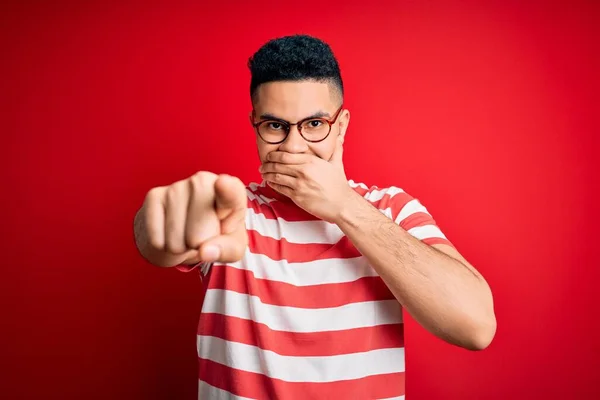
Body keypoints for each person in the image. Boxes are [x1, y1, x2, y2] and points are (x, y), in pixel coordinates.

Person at [133, 34, 496, 399]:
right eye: (275, 126)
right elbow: (156, 240)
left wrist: (343, 206)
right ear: (255, 126)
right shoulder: (234, 212)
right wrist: (163, 225)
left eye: (314, 124)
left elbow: (475, 327)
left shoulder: (392, 210)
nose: (294, 145)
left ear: (341, 126)